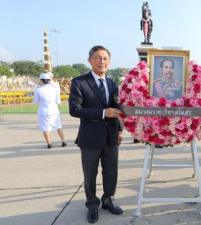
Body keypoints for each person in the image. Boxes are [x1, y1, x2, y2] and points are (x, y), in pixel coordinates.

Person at [69, 45, 123, 224]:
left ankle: (108, 199)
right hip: (90, 137)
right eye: (98, 58)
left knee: (111, 172)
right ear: (90, 60)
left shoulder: (112, 82)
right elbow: (75, 110)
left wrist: (120, 128)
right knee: (90, 174)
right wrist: (102, 113)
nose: (102, 61)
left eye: (106, 58)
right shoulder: (80, 82)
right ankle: (92, 204)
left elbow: (117, 108)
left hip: (111, 135)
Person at [33, 72, 66, 149]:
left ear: (41, 80)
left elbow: (35, 101)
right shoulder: (54, 89)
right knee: (58, 126)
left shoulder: (38, 90)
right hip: (54, 110)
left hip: (44, 111)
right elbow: (58, 101)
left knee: (45, 128)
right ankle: (63, 141)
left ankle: (49, 144)